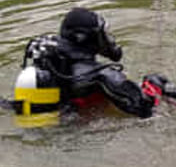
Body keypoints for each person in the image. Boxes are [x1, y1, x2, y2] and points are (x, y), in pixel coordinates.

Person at [12, 7, 155, 122]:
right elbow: (145, 109)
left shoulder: (50, 58)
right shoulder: (100, 75)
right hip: (75, 137)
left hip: (46, 123)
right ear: (86, 38)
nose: (106, 39)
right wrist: (155, 85)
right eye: (102, 34)